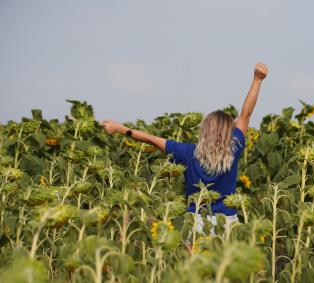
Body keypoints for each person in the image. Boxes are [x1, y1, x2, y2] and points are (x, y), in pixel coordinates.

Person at [101, 62, 268, 235]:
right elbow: (246, 113)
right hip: (227, 224)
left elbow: (151, 139)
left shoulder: (188, 153)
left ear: (205, 130)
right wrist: (257, 79)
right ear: (228, 133)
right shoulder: (234, 148)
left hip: (196, 223)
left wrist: (120, 129)